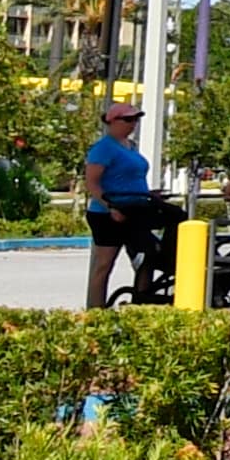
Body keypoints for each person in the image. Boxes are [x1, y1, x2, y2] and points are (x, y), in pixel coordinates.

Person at [81, 101, 170, 310]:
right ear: (112, 121)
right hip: (108, 214)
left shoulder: (131, 147)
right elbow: (92, 182)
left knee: (148, 255)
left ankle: (141, 303)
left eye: (136, 119)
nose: (133, 124)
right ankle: (96, 310)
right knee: (104, 264)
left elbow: (130, 178)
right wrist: (110, 206)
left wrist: (149, 195)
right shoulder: (103, 148)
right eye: (128, 119)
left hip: (136, 211)